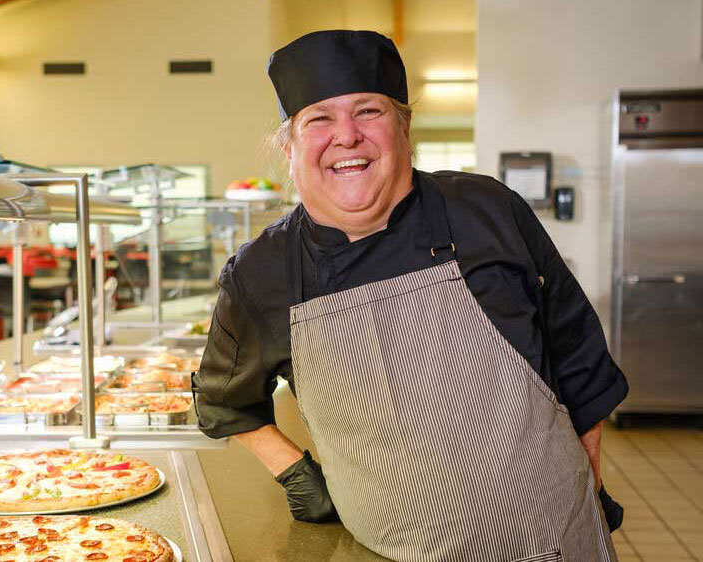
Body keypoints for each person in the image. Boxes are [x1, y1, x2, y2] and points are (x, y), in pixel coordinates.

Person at [194, 29, 628, 562]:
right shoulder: (261, 273)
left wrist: (587, 480)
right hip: (385, 549)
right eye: (320, 119)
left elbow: (578, 354)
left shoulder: (485, 210)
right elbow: (223, 399)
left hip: (551, 537)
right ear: (290, 145)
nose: (347, 136)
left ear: (404, 127)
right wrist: (296, 475)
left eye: (369, 111)